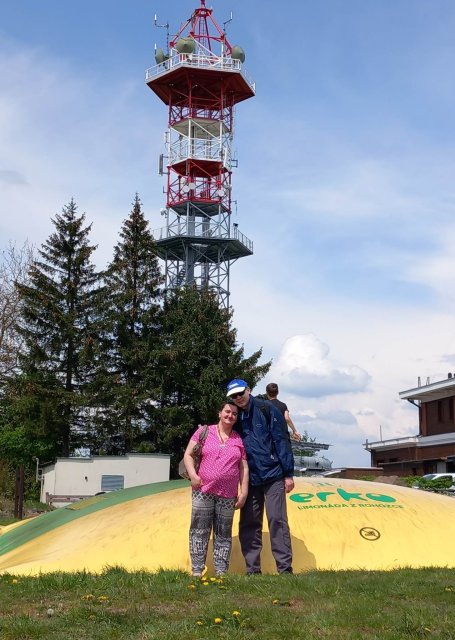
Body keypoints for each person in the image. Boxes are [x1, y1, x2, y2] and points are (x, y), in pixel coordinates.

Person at [226, 378, 295, 575]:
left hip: (273, 474)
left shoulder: (267, 409)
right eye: (233, 396)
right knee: (249, 523)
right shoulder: (234, 415)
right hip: (250, 478)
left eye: (240, 393)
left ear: (248, 390)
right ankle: (252, 570)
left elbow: (281, 440)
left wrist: (288, 474)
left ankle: (285, 569)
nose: (238, 398)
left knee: (277, 520)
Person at [183, 402, 249, 578]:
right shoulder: (204, 432)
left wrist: (243, 492)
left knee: (223, 534)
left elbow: (243, 467)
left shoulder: (238, 439)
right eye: (227, 411)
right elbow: (188, 454)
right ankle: (197, 570)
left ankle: (221, 573)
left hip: (228, 495)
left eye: (234, 413)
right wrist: (193, 475)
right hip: (203, 490)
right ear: (219, 413)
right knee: (199, 531)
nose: (230, 415)